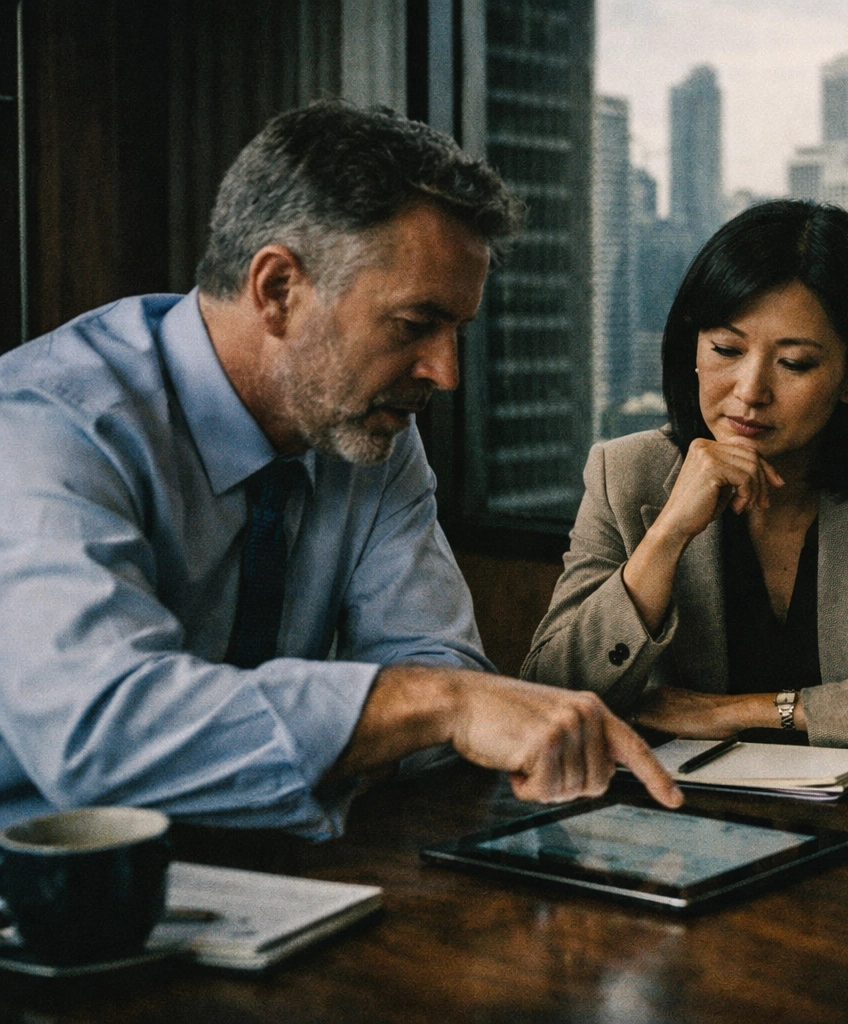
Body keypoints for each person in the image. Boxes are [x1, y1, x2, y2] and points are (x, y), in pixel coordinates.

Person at [0, 101, 681, 839]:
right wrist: (433, 708)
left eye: (458, 330)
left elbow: (431, 657)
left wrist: (422, 710)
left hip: (275, 876)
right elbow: (103, 738)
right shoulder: (48, 426)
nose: (445, 374)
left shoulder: (366, 430)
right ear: (278, 289)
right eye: (415, 324)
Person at [523, 200, 848, 753]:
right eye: (725, 349)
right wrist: (666, 536)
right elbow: (543, 697)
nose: (749, 391)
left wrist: (743, 712)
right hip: (681, 823)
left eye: (794, 363)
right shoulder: (626, 473)